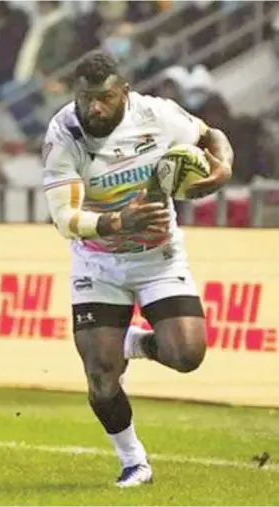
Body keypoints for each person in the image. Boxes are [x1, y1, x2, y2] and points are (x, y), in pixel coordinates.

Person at [41, 51, 233, 487]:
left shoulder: (158, 115)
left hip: (158, 257)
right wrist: (114, 221)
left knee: (187, 355)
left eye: (104, 98)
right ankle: (134, 461)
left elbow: (213, 136)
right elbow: (64, 219)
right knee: (100, 375)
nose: (93, 108)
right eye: (85, 98)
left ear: (123, 93)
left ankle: (134, 342)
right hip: (99, 262)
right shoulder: (64, 133)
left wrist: (222, 171)